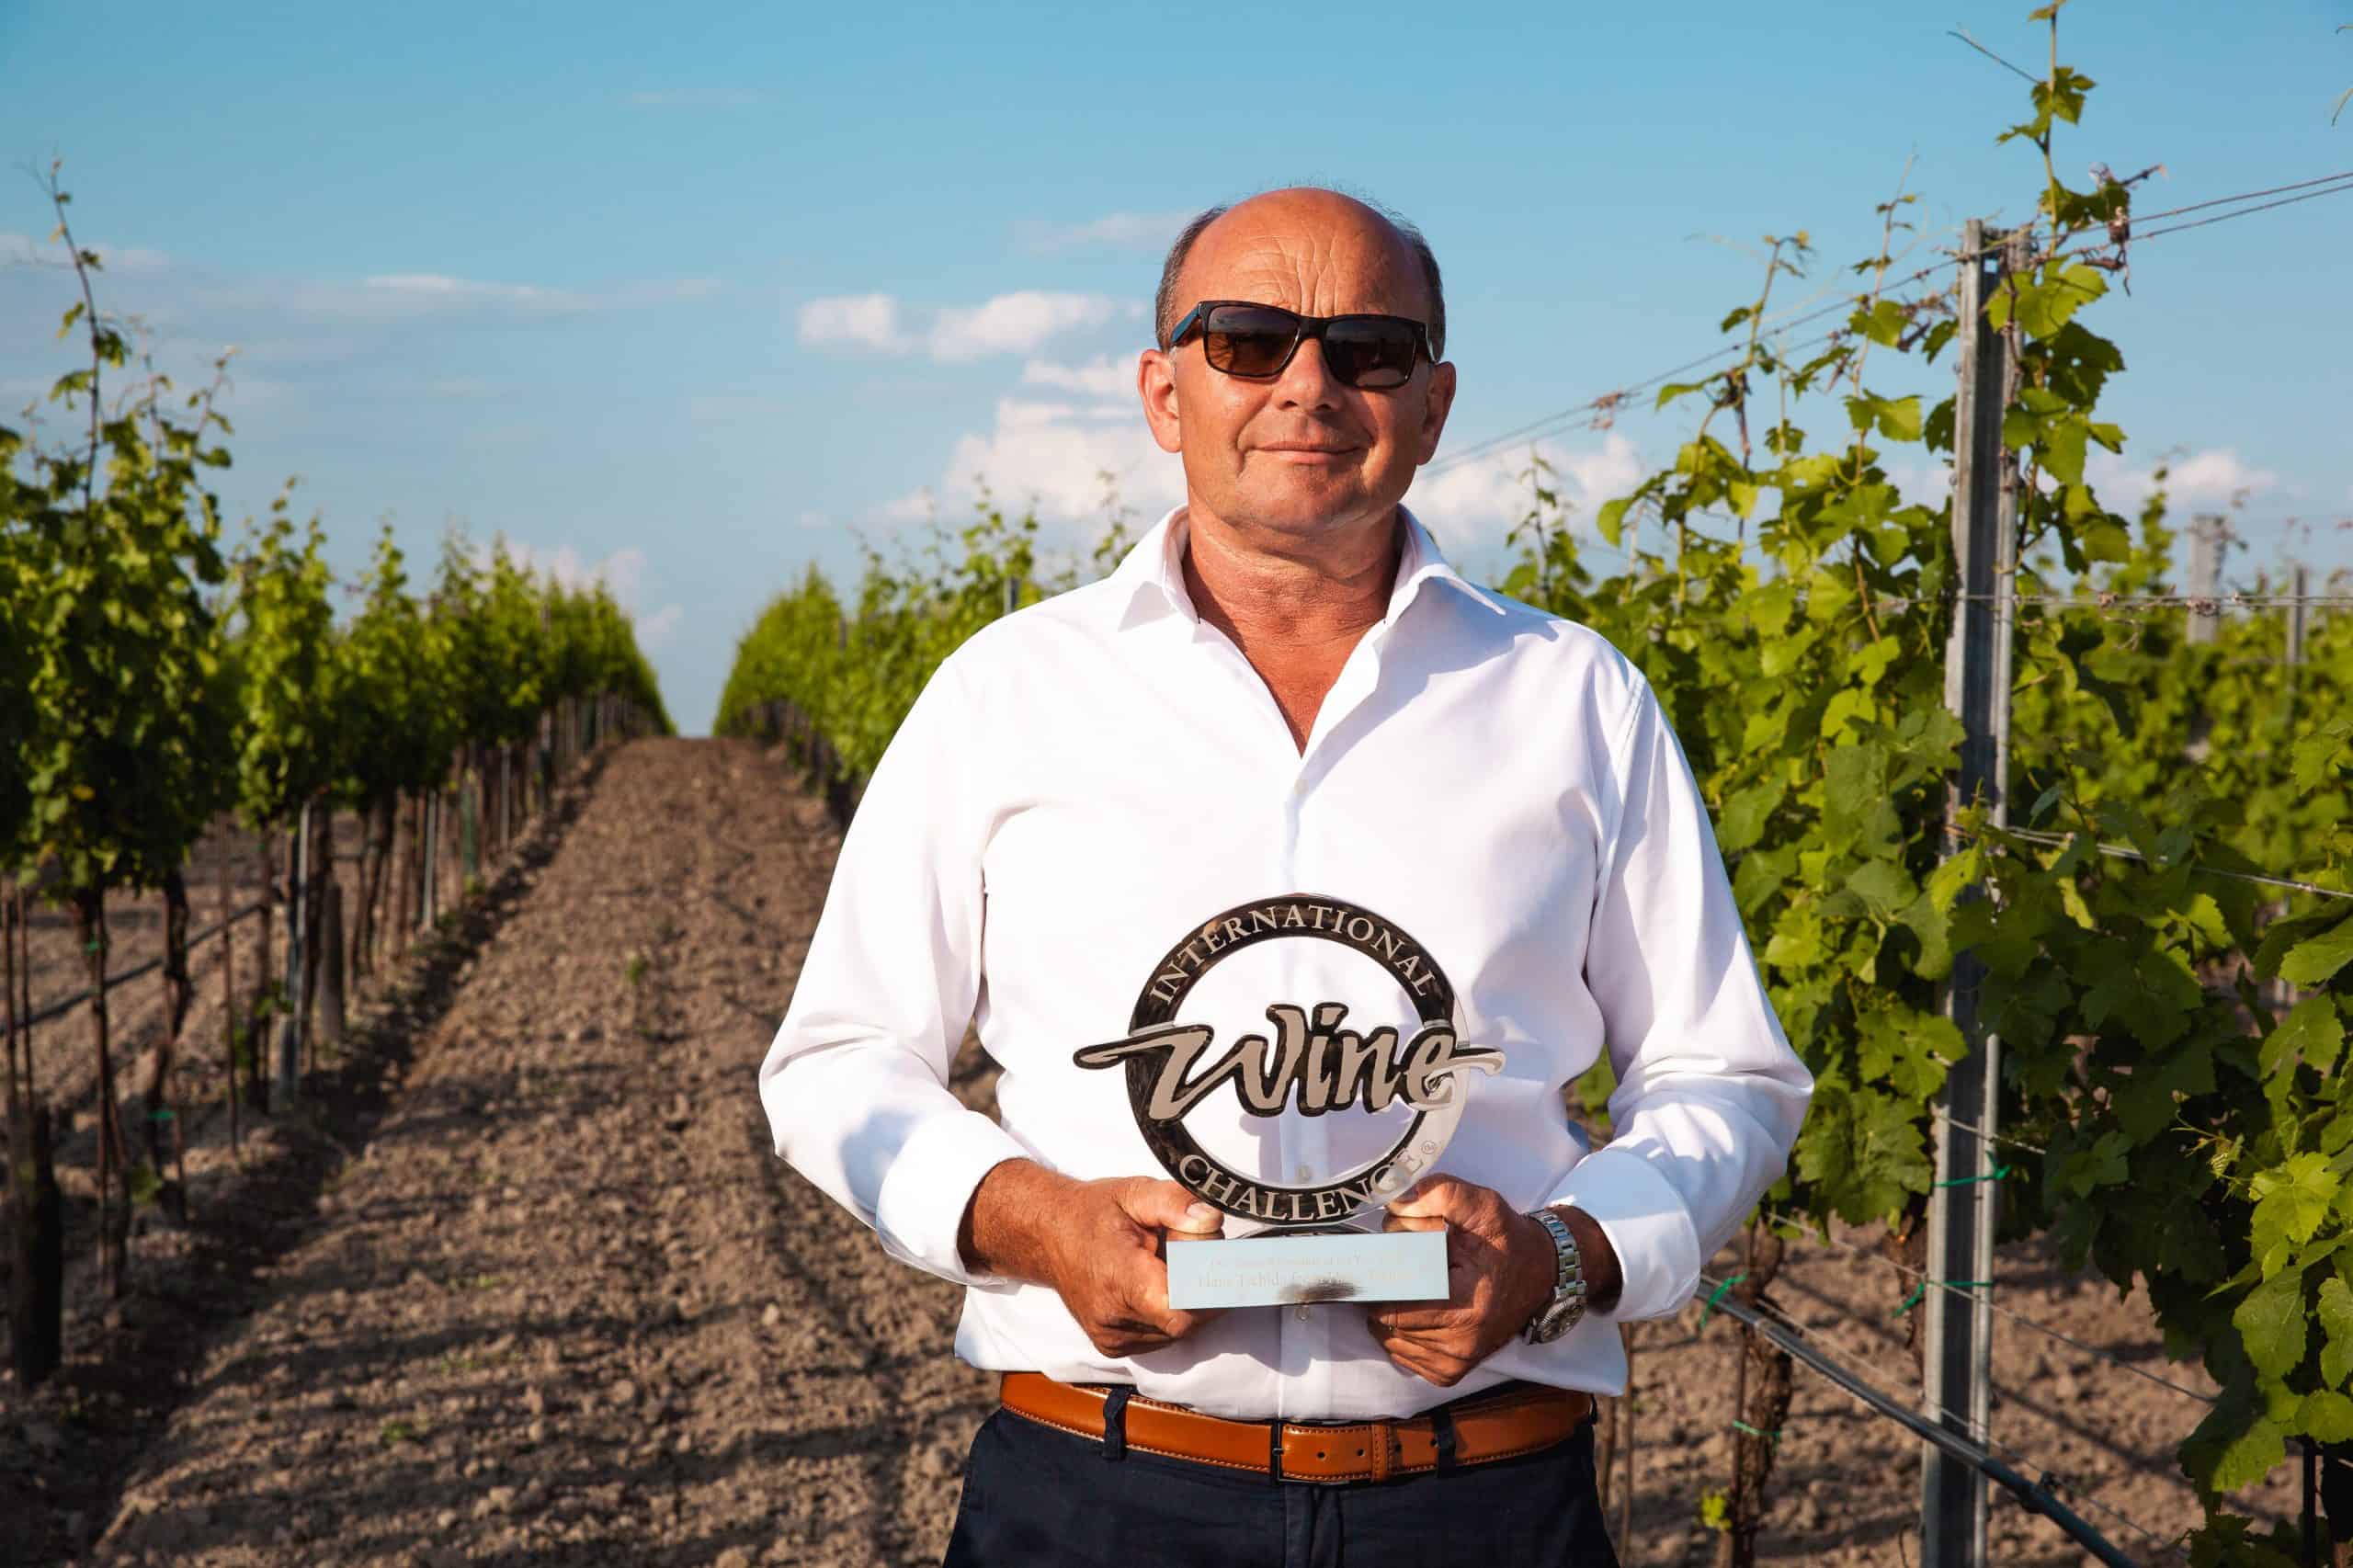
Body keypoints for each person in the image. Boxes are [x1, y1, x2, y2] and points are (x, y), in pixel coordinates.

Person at [758, 186, 1813, 1567]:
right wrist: (1041, 1221)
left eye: (1369, 348)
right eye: (1248, 339)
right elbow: (837, 1060)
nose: (1308, 385)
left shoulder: (1572, 698)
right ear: (1162, 390)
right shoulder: (1006, 695)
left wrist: (1556, 1257)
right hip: (1096, 1498)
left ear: (1432, 406)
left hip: (1483, 1504)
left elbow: (1726, 1075)